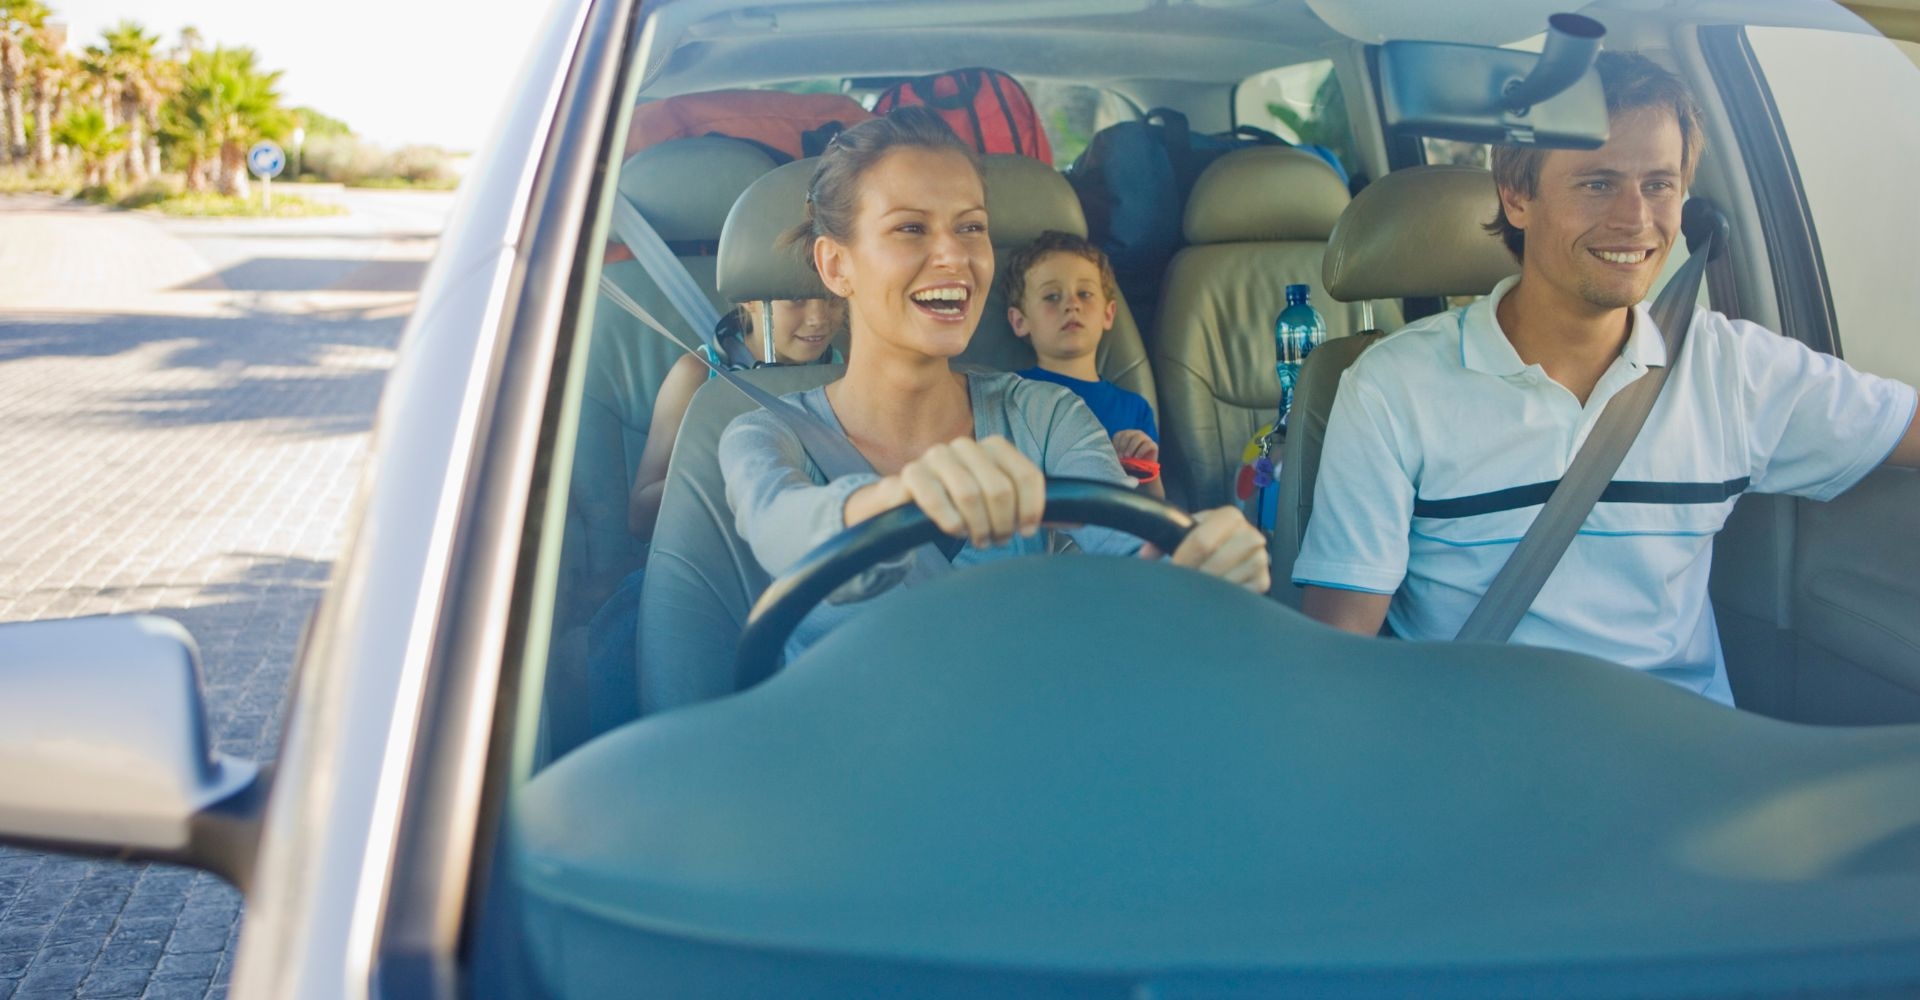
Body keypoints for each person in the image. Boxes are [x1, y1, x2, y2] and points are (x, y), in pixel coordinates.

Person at [1294, 50, 1920, 705]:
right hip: (1486, 762)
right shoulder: (1394, 388)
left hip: (1687, 767)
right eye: (1597, 183)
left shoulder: (1735, 369)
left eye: (1660, 184)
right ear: (1517, 196)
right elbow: (1341, 657)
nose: (1635, 219)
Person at [719, 107, 1269, 660]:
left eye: (972, 227)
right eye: (911, 228)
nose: (955, 255)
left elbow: (1125, 550)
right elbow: (781, 528)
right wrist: (900, 500)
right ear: (836, 265)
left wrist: (1195, 559)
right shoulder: (764, 434)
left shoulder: (1046, 414)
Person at [628, 297, 844, 541]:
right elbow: (641, 517)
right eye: (796, 300)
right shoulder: (696, 375)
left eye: (832, 299)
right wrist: (746, 467)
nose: (819, 318)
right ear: (750, 300)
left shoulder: (843, 373)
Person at [1005, 230, 1166, 499]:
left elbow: (1156, 507)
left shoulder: (1134, 409)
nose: (1072, 304)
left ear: (1108, 314)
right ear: (1020, 321)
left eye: (1085, 293)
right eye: (1052, 297)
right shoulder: (1009, 396)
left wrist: (1146, 471)